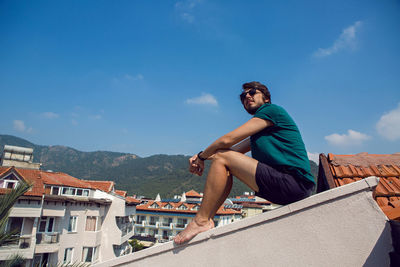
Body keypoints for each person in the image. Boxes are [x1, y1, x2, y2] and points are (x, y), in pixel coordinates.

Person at [173, 81, 315, 245]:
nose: (247, 96)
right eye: (243, 96)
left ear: (266, 98)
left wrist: (202, 157)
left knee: (223, 158)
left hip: (294, 183)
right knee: (223, 160)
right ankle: (207, 219)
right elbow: (230, 151)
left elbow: (227, 140)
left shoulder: (271, 111)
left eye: (252, 92)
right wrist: (199, 157)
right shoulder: (260, 131)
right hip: (288, 187)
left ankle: (200, 221)